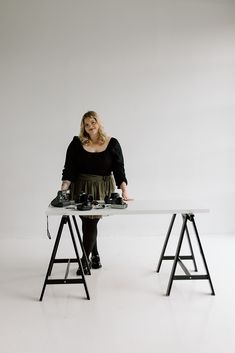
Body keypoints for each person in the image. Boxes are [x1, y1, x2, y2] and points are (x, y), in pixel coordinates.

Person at [61, 111, 131, 275]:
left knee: (91, 222)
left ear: (98, 123)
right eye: (86, 124)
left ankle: (84, 260)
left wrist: (125, 191)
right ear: (83, 127)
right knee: (88, 222)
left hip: (102, 188)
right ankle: (95, 257)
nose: (90, 126)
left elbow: (119, 169)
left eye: (93, 122)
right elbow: (69, 169)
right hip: (81, 188)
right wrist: (62, 191)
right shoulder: (76, 143)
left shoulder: (112, 143)